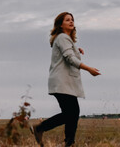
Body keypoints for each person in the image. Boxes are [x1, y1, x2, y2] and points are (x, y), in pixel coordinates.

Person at [32, 12, 101, 147]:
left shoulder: (64, 39)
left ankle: (69, 142)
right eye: (67, 20)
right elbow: (69, 58)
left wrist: (76, 49)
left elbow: (68, 53)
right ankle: (41, 128)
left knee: (72, 113)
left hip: (64, 83)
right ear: (60, 24)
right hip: (62, 82)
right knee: (71, 113)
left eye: (72, 20)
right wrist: (89, 69)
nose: (71, 22)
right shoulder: (62, 37)